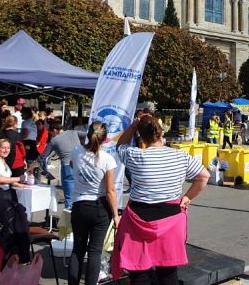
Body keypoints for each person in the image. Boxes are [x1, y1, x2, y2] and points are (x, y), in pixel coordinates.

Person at [112, 114, 208, 285]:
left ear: (141, 136)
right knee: (168, 272)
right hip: (170, 219)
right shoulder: (180, 156)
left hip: (138, 220)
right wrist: (187, 196)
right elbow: (204, 176)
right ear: (161, 132)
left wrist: (133, 126)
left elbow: (120, 145)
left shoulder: (135, 156)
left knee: (139, 272)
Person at [68, 122, 120, 285]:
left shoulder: (77, 151)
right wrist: (116, 215)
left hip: (79, 205)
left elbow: (71, 165)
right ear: (105, 140)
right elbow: (111, 191)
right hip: (98, 207)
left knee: (77, 249)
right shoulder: (107, 160)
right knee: (95, 252)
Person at [38, 119, 84, 209]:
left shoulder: (54, 140)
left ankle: (69, 221)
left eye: (51, 133)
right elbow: (89, 135)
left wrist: (30, 168)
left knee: (69, 199)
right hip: (81, 165)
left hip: (67, 167)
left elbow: (42, 157)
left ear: (55, 130)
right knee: (81, 196)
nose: (51, 136)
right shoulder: (73, 132)